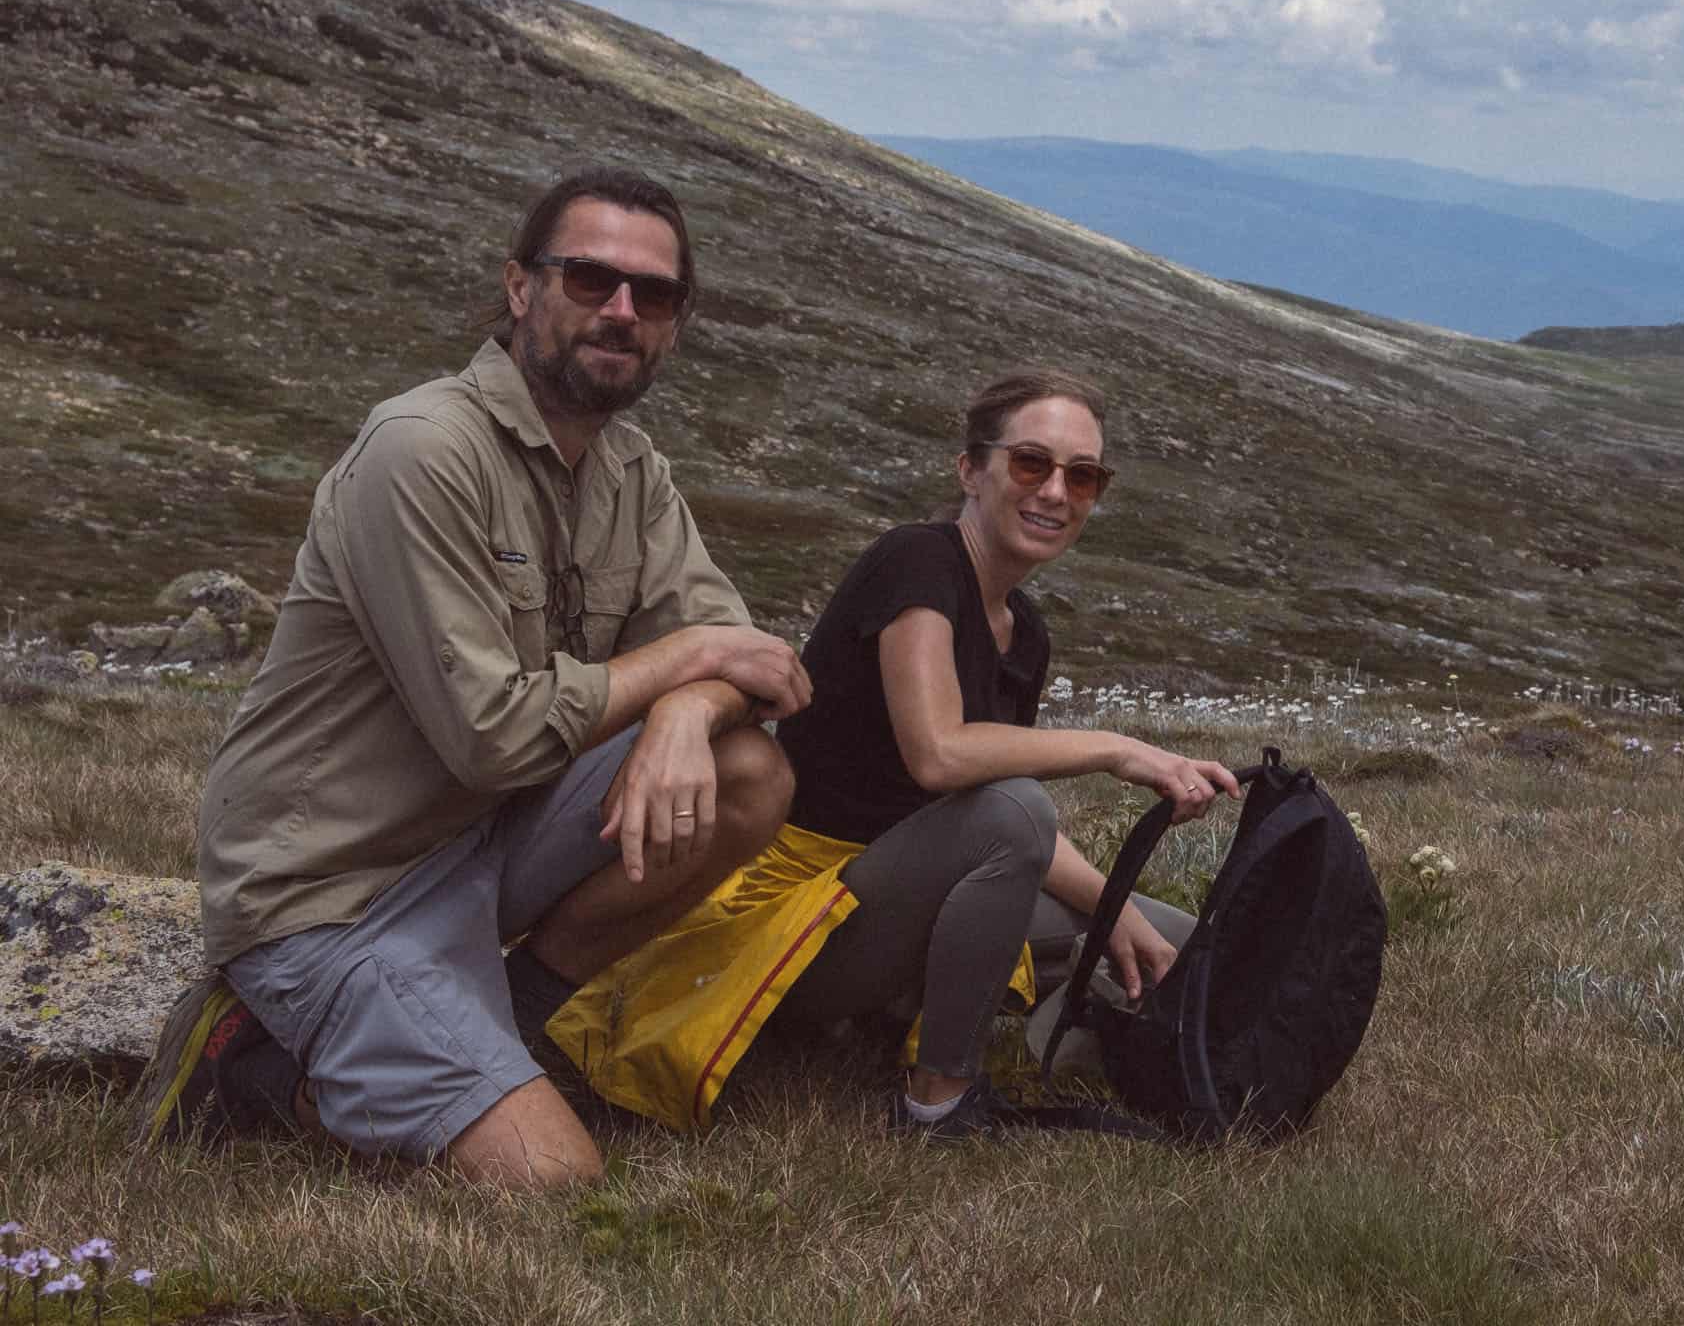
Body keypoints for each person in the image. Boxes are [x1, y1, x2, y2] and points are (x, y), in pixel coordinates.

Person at [133, 167, 811, 1187]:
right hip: (334, 885)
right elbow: (493, 734)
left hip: (485, 832)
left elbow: (743, 650)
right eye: (589, 277)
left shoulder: (631, 469)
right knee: (554, 1180)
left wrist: (683, 711)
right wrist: (683, 659)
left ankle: (513, 1023)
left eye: (654, 294)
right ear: (518, 287)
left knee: (748, 770)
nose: (622, 310)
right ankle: (256, 1070)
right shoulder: (422, 449)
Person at [552, 368, 1239, 1138]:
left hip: (906, 889)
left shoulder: (1026, 631)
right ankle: (939, 1100)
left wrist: (1110, 908)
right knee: (1019, 815)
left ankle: (1102, 1046)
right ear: (971, 471)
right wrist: (1115, 748)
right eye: (1030, 463)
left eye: (1083, 476)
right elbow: (940, 758)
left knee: (1171, 941)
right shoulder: (918, 562)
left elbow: (990, 811)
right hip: (804, 911)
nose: (1055, 491)